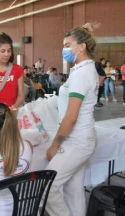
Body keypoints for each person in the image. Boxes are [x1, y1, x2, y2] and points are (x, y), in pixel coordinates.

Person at [45, 23, 98, 216]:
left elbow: (71, 116)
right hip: (81, 138)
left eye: (68, 44)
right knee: (74, 191)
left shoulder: (82, 73)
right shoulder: (82, 69)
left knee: (47, 188)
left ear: (81, 47)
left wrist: (55, 144)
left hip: (76, 140)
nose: (64, 49)